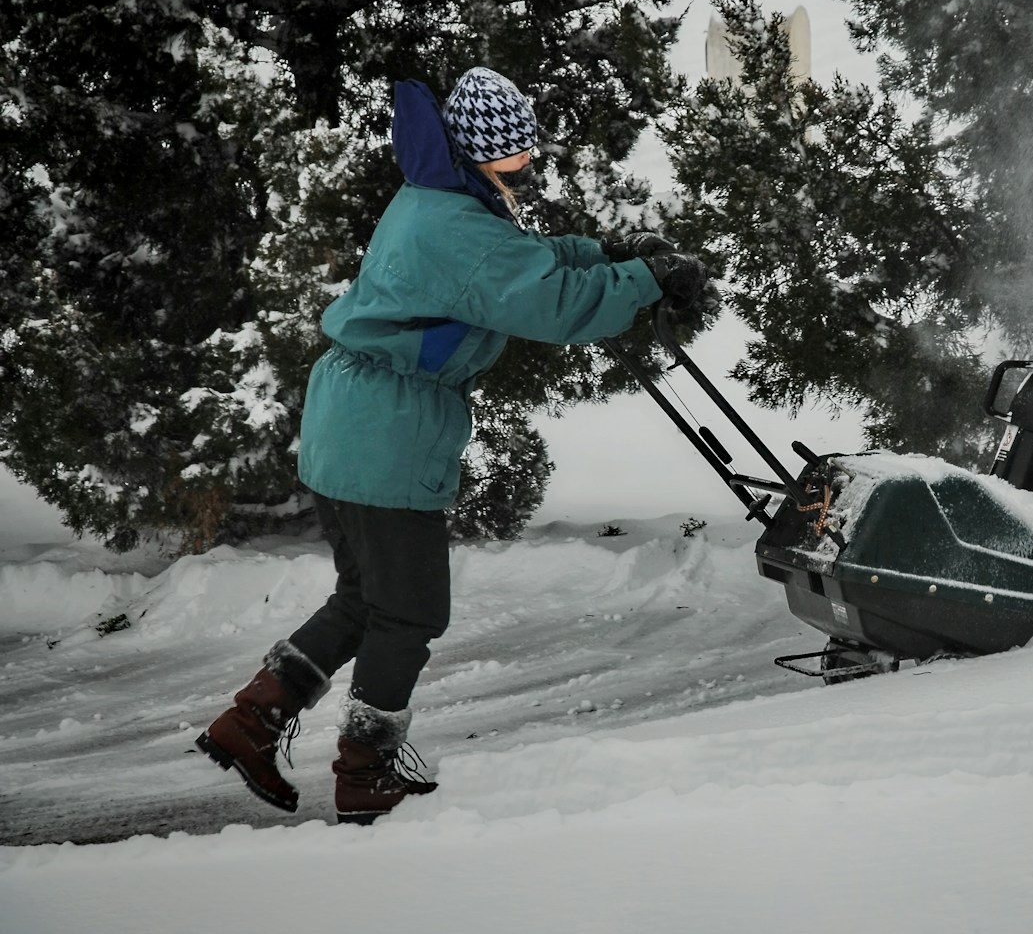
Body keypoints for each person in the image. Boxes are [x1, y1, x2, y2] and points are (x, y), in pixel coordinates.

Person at [196, 67, 706, 824]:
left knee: (366, 599)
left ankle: (251, 721)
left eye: (527, 157)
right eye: (510, 161)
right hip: (385, 438)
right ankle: (364, 771)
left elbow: (525, 257)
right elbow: (551, 301)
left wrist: (607, 250)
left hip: (352, 425)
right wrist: (643, 279)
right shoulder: (458, 227)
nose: (523, 172)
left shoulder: (441, 200)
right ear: (471, 155)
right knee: (410, 612)